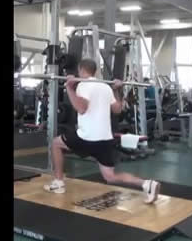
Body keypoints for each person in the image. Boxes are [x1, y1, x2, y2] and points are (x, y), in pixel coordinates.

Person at [45, 59, 161, 204]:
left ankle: (58, 183)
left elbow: (81, 108)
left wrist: (69, 87)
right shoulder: (105, 87)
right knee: (110, 177)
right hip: (105, 139)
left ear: (81, 70)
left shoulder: (83, 84)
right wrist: (117, 89)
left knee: (56, 144)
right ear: (95, 71)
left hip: (87, 138)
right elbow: (118, 109)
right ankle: (147, 184)